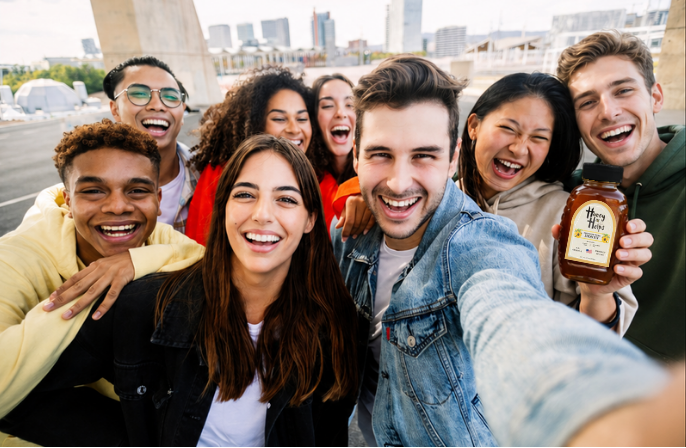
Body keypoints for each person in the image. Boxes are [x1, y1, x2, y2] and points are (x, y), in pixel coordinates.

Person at [332, 55, 663, 447]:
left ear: (450, 155)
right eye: (380, 153)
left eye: (424, 155)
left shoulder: (495, 238)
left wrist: (595, 302)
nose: (400, 181)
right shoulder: (352, 237)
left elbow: (507, 307)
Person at [1, 134, 360, 447]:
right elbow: (21, 395)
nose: (263, 214)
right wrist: (127, 438)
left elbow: (327, 435)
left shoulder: (337, 325)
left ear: (311, 219)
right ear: (223, 210)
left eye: (286, 199)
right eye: (245, 194)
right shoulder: (142, 307)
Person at [0, 120, 204, 444]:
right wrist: (81, 302)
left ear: (158, 197)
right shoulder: (14, 257)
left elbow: (205, 262)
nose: (118, 206)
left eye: (137, 190)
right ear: (67, 200)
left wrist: (135, 262)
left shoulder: (160, 240)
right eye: (94, 191)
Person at [459, 72, 639, 335]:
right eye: (508, 128)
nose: (519, 149)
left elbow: (603, 339)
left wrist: (596, 296)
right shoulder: (441, 199)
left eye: (539, 138)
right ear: (474, 126)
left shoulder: (569, 212)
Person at [556, 31, 685, 361]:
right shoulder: (569, 194)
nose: (608, 112)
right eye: (587, 102)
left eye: (623, 90)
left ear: (656, 97)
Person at [185, 66, 315, 244]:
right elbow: (199, 244)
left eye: (302, 119)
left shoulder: (315, 177)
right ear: (256, 124)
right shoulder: (221, 174)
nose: (294, 129)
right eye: (279, 119)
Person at [104, 56, 199, 233]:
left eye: (171, 96)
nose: (157, 105)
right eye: (139, 94)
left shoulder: (212, 176)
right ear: (115, 109)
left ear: (182, 110)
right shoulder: (85, 184)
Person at [308, 74, 367, 231]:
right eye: (327, 106)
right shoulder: (304, 180)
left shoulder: (374, 178)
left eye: (350, 105)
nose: (341, 113)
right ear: (313, 118)